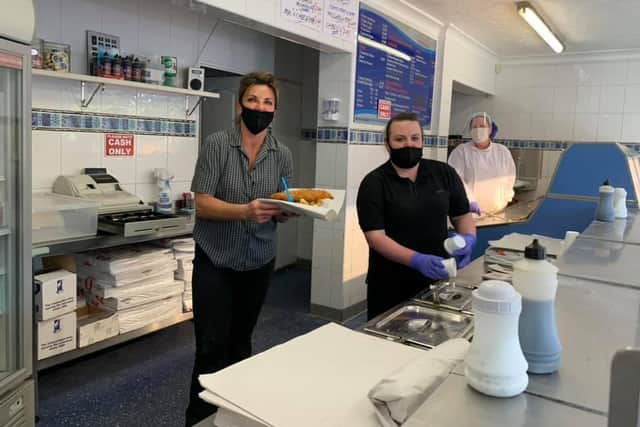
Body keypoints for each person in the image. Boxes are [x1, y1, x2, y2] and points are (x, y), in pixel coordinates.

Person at [185, 71, 295, 426]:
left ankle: (232, 419)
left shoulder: (282, 154)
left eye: (267, 103)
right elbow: (201, 204)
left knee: (241, 345)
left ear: (275, 110)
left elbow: (284, 204)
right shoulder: (218, 144)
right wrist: (245, 210)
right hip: (215, 260)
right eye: (253, 101)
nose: (260, 108)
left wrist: (286, 212)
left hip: (258, 261)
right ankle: (199, 420)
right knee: (210, 347)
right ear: (240, 105)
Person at [356, 112, 476, 320]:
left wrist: (469, 238)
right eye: (399, 140)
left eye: (414, 138)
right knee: (388, 343)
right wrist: (416, 260)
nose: (408, 145)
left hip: (438, 278)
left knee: (436, 337)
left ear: (422, 141)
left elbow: (462, 215)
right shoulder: (374, 183)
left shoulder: (444, 173)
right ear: (387, 144)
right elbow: (375, 237)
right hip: (390, 283)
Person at [448, 112, 516, 215]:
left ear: (490, 129)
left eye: (482, 126)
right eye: (474, 127)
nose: (478, 130)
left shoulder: (502, 151)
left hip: (498, 212)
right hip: (470, 213)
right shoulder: (461, 152)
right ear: (470, 131)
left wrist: (506, 198)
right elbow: (455, 180)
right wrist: (470, 200)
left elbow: (510, 177)